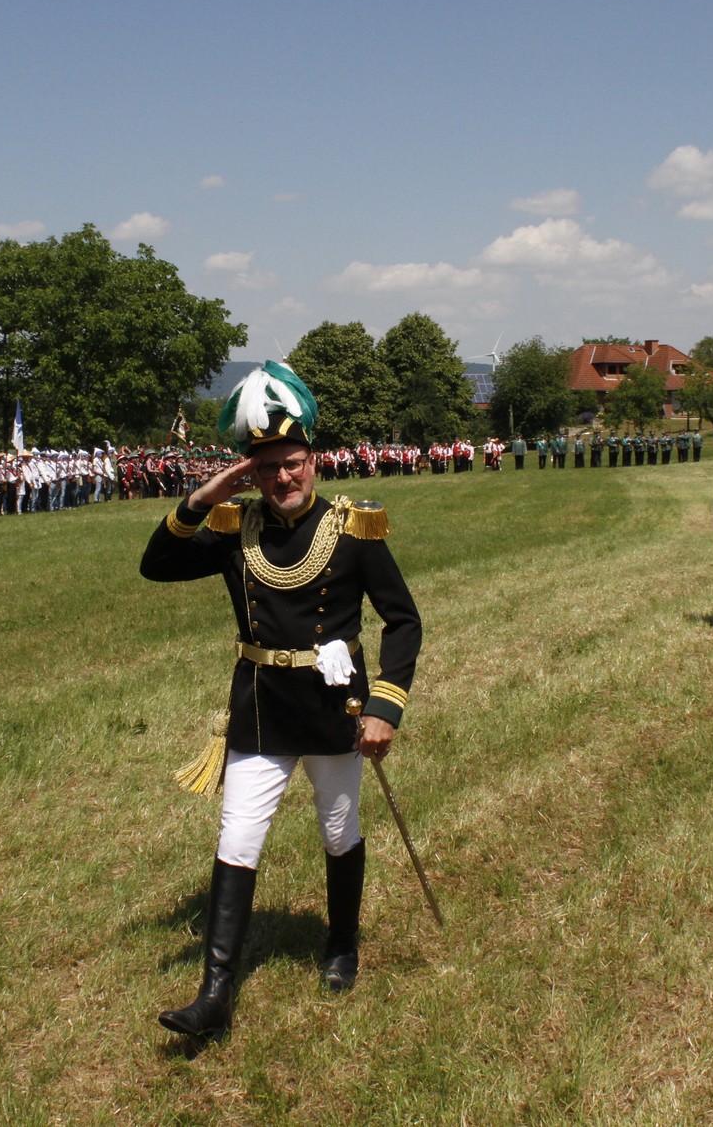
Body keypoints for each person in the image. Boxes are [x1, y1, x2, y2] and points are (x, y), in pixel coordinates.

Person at [140, 361, 422, 1039]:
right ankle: (215, 994)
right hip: (261, 709)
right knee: (238, 836)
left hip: (334, 711)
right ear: (252, 474)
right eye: (267, 469)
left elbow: (403, 620)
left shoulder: (354, 529)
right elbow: (156, 565)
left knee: (338, 830)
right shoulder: (234, 528)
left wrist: (385, 706)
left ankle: (342, 945)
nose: (283, 479)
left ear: (312, 461)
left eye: (292, 464)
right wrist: (202, 497)